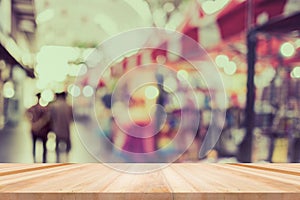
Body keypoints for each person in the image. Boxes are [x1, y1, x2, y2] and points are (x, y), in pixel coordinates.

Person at [26, 93, 51, 163]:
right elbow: (47, 119)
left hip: (36, 130)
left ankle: (36, 160)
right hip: (42, 130)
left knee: (35, 146)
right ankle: (43, 160)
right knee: (43, 146)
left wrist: (33, 124)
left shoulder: (34, 108)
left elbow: (26, 114)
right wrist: (38, 124)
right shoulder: (44, 108)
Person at [49, 92, 73, 162]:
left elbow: (51, 118)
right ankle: (67, 159)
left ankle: (58, 160)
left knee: (57, 147)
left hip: (57, 129)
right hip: (66, 129)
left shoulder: (53, 106)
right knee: (67, 147)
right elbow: (72, 118)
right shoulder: (68, 106)